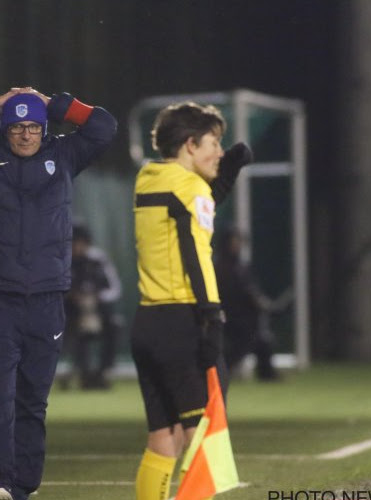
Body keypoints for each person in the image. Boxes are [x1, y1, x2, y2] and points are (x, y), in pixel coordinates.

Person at [0, 87, 116, 500]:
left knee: (34, 399)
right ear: (4, 128)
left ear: (44, 128)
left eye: (34, 126)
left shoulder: (65, 155)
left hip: (48, 300)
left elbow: (104, 126)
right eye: (17, 126)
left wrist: (55, 103)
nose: (27, 135)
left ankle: (25, 486)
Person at [130, 102, 252, 500]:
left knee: (163, 440)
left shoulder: (147, 178)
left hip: (148, 323)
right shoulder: (192, 188)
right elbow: (197, 256)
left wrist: (223, 179)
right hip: (184, 322)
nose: (220, 151)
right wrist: (212, 319)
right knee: (204, 433)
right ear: (189, 144)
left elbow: (185, 211)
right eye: (213, 143)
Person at [214, 227, 280, 381]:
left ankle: (266, 374)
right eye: (234, 241)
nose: (237, 245)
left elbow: (252, 291)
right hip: (228, 319)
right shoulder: (220, 267)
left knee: (261, 341)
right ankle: (221, 372)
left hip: (245, 320)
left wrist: (262, 304)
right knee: (247, 343)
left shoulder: (241, 267)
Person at [63, 223, 122, 389]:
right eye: (73, 243)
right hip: (71, 313)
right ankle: (85, 373)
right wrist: (72, 297)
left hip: (98, 311)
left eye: (80, 243)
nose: (76, 247)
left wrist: (96, 298)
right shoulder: (63, 260)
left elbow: (115, 289)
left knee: (114, 325)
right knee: (74, 327)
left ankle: (102, 372)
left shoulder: (98, 259)